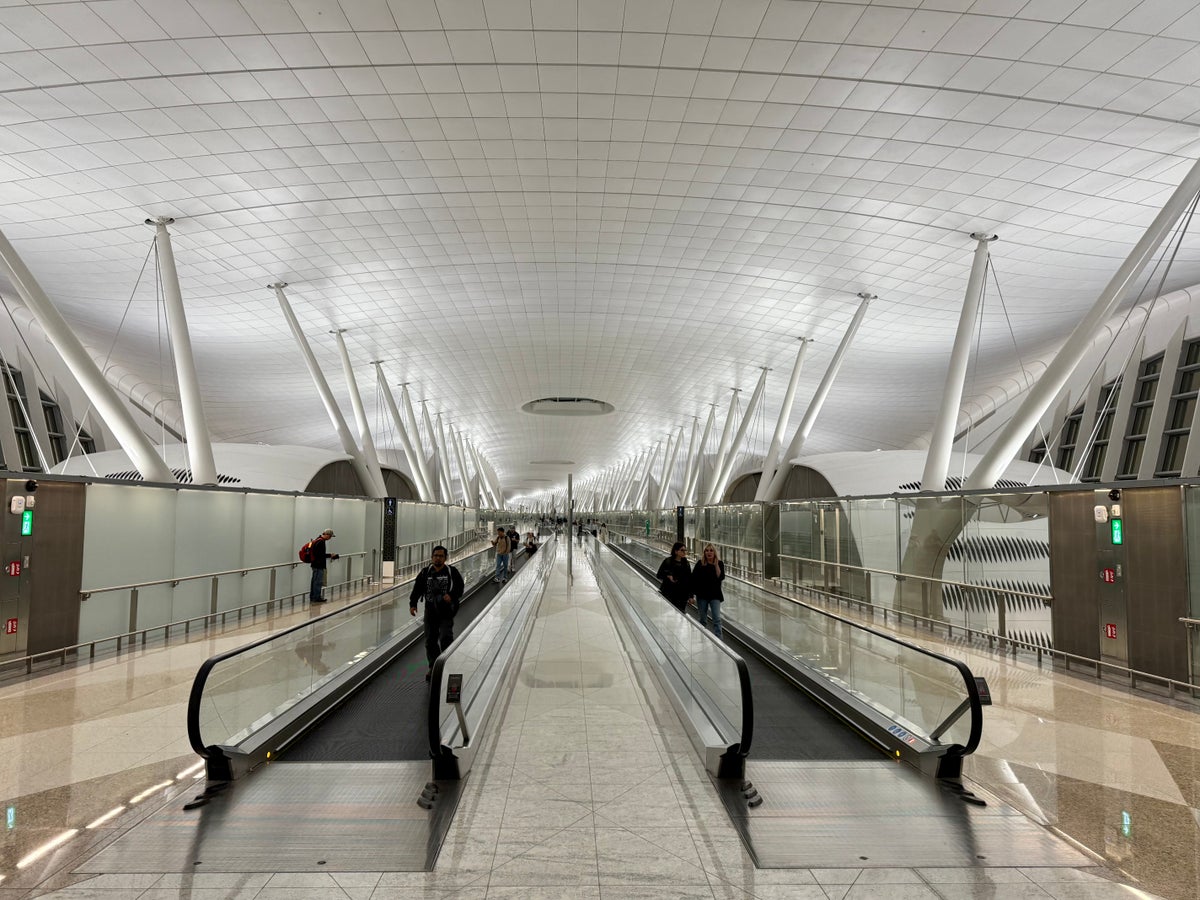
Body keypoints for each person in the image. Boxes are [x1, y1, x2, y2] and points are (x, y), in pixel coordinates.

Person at [409, 545, 465, 681]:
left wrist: (451, 595)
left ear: (445, 558)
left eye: (440, 556)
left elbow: (460, 587)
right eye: (435, 556)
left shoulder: (452, 572)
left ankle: (447, 663)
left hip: (446, 611)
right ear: (432, 557)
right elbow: (417, 588)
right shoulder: (425, 572)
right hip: (430, 611)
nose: (437, 558)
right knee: (430, 640)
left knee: (446, 637)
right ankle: (433, 666)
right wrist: (413, 604)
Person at [691, 543, 726, 637]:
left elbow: (721, 577)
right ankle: (703, 637)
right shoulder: (700, 563)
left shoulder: (720, 563)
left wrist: (716, 566)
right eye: (707, 550)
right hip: (702, 595)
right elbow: (693, 578)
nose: (709, 552)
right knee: (702, 618)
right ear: (704, 553)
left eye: (711, 550)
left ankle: (719, 640)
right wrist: (691, 595)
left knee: (717, 618)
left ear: (714, 552)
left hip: (715, 595)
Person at [656, 541, 691, 613]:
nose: (684, 552)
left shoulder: (686, 564)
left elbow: (689, 580)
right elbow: (659, 575)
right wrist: (668, 576)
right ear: (676, 551)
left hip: (682, 595)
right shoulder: (668, 561)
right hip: (669, 593)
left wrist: (691, 596)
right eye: (682, 550)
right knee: (668, 613)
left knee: (680, 613)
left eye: (685, 550)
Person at [308, 528, 339, 603]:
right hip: (319, 565)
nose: (330, 538)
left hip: (315, 564)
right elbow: (320, 555)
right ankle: (317, 597)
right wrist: (330, 555)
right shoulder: (321, 542)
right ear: (327, 535)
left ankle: (313, 596)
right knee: (318, 582)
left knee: (314, 581)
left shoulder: (317, 539)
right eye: (330, 536)